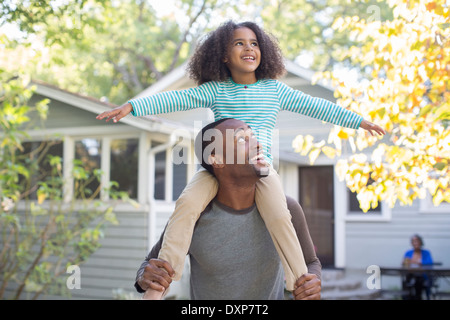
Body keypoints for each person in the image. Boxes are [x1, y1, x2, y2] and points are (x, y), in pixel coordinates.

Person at [97, 20, 385, 299]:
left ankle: (300, 286)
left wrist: (358, 121)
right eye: (239, 43)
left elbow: (318, 107)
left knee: (279, 217)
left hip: (262, 170)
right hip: (215, 171)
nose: (249, 48)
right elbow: (175, 100)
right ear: (224, 54)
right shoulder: (216, 89)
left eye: (254, 43)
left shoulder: (275, 90)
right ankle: (158, 289)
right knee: (186, 205)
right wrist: (132, 106)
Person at [135, 118, 322, 300]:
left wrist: (313, 283)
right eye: (242, 139)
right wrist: (145, 277)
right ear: (217, 160)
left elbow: (311, 263)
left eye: (254, 136)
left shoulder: (287, 208)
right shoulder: (193, 217)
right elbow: (149, 264)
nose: (257, 144)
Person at [402, 234, 434, 300]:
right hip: (410, 275)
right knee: (406, 283)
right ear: (411, 243)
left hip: (423, 276)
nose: (415, 243)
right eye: (413, 241)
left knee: (418, 281)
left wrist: (419, 262)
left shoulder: (426, 252)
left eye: (417, 241)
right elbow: (404, 263)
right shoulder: (408, 252)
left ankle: (417, 297)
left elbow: (430, 263)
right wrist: (405, 263)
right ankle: (407, 297)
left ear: (420, 242)